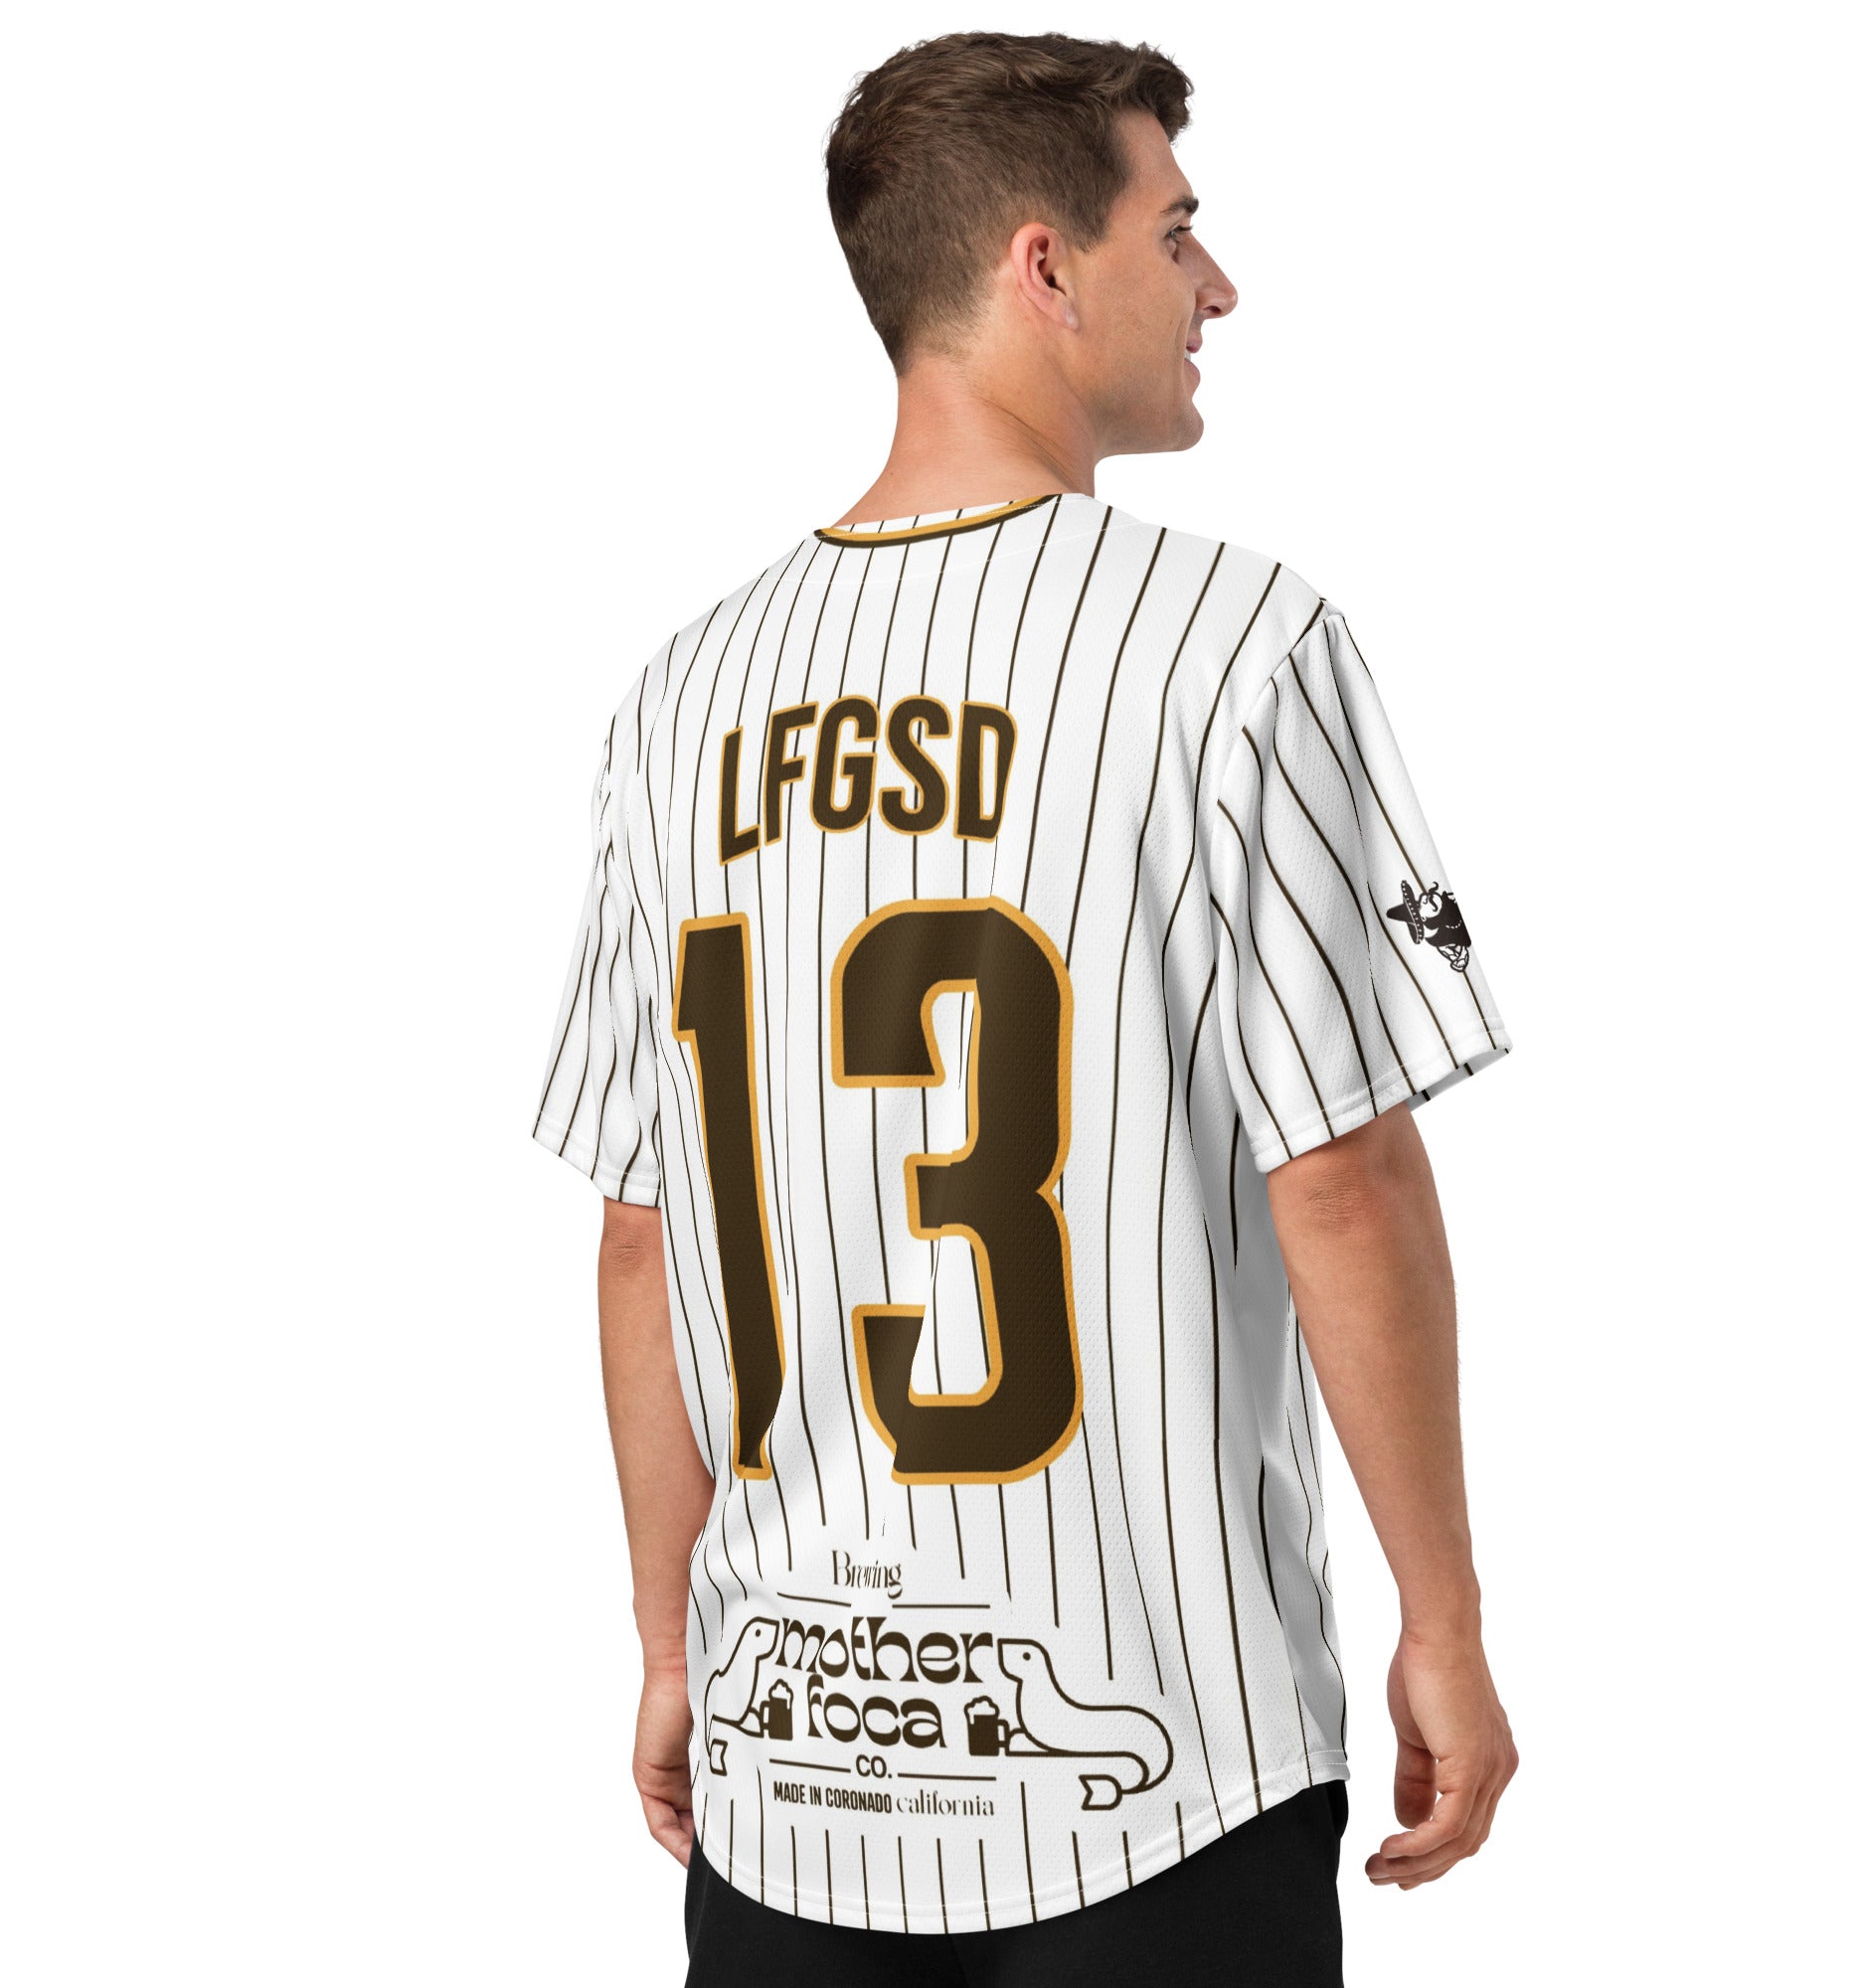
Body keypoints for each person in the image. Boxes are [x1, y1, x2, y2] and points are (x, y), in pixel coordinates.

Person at [533, 29, 1516, 1984]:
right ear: (1045, 267)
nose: (1217, 286)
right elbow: (1340, 1177)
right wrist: (1446, 1618)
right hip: (1165, 1768)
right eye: (1179, 230)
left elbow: (642, 1234)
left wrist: (664, 1640)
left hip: (788, 1765)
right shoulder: (1237, 644)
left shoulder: (679, 697)